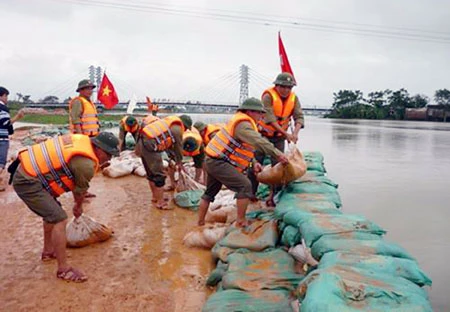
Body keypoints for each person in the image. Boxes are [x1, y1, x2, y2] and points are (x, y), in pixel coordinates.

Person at [11, 132, 119, 283]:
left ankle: (48, 251)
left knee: (53, 212)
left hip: (28, 171)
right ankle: (63, 269)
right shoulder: (86, 164)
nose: (109, 159)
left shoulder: (82, 141)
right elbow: (80, 191)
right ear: (99, 149)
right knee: (59, 219)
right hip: (27, 181)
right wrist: (78, 207)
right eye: (109, 155)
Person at [197, 98, 288, 228]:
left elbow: (244, 151)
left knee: (209, 193)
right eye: (259, 113)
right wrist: (278, 154)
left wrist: (254, 163)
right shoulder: (243, 124)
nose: (261, 116)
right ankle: (240, 220)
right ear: (249, 112)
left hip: (212, 161)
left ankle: (200, 223)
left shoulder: (241, 123)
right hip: (219, 162)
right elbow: (258, 141)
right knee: (245, 185)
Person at [248, 72, 305, 206]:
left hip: (278, 138)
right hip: (261, 137)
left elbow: (299, 117)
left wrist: (295, 133)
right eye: (283, 87)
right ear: (277, 86)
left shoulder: (294, 99)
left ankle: (273, 196)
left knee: (278, 166)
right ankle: (251, 193)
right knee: (253, 164)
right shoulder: (268, 96)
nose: (286, 90)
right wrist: (287, 135)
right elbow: (270, 119)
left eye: (289, 88)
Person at [136, 114, 192, 209]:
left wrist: (172, 159)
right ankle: (160, 202)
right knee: (159, 175)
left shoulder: (169, 126)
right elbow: (178, 148)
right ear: (185, 125)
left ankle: (155, 197)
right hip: (150, 146)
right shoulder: (177, 129)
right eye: (186, 129)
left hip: (142, 144)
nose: (185, 131)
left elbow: (169, 145)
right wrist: (179, 163)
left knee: (151, 173)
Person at [0, 86, 25, 191]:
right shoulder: (3, 108)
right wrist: (18, 117)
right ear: (2, 96)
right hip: (2, 139)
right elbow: (6, 123)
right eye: (6, 96)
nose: (7, 99)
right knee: (1, 162)